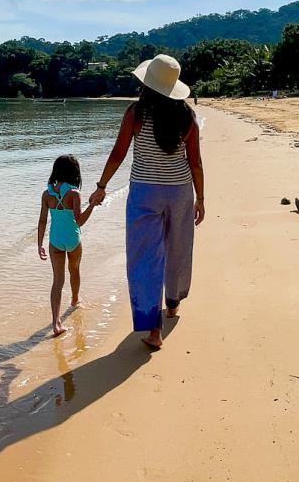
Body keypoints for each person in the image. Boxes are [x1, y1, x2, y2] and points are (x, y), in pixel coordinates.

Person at [88, 54, 204, 351]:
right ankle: (173, 304)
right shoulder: (187, 117)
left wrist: (102, 186)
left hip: (144, 194)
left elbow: (118, 153)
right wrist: (200, 198)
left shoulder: (136, 114)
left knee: (144, 259)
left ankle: (154, 330)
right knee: (179, 248)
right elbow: (196, 163)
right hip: (180, 192)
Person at [36, 154, 96, 337]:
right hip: (73, 240)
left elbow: (42, 221)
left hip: (55, 242)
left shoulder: (47, 194)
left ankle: (56, 323)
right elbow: (79, 221)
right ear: (74, 172)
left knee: (57, 281)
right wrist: (92, 204)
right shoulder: (74, 194)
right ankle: (75, 301)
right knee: (75, 270)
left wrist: (39, 244)